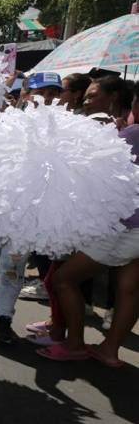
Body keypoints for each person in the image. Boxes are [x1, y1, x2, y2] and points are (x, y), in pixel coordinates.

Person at [37, 87, 139, 366]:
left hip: (125, 226)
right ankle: (110, 350)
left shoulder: (133, 134)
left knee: (64, 280)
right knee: (129, 289)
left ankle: (74, 345)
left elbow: (95, 167)